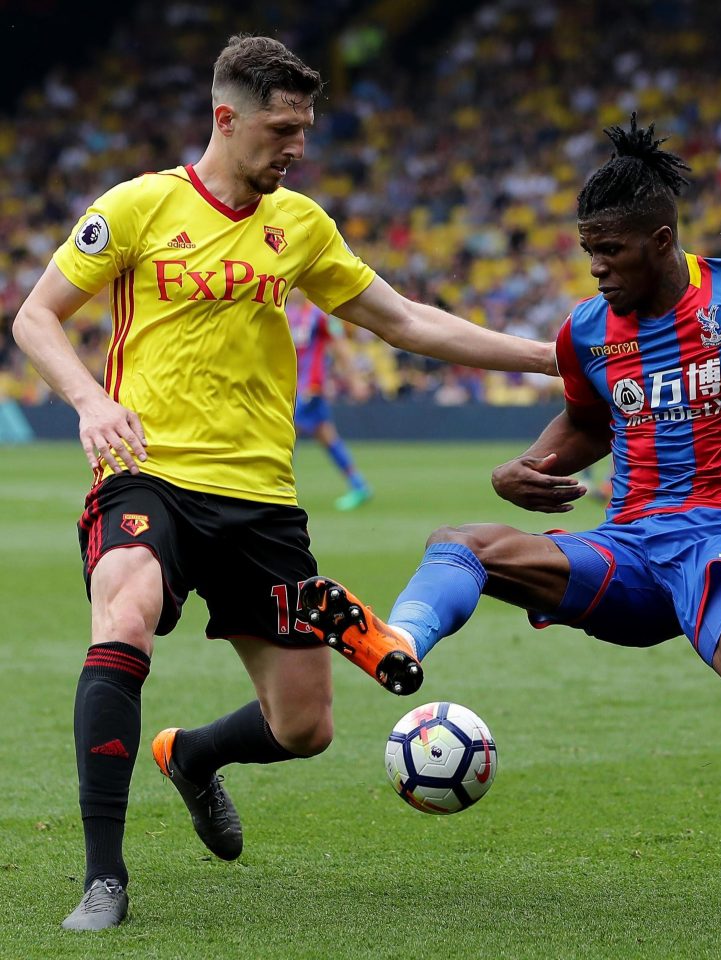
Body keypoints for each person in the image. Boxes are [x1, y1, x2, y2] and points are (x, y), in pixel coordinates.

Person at [299, 116, 721, 949]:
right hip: (627, 550)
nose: (595, 267)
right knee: (465, 540)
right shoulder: (586, 331)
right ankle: (394, 643)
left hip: (720, 542)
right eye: (588, 249)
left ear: (661, 241)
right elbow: (584, 425)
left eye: (610, 251)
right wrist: (521, 470)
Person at [11, 34, 555, 931]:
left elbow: (405, 320)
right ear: (226, 118)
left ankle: (190, 756)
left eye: (304, 129)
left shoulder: (298, 224)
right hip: (146, 472)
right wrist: (87, 401)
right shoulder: (140, 206)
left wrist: (545, 358)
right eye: (282, 128)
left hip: (259, 495)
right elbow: (37, 317)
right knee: (126, 613)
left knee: (304, 728)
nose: (296, 146)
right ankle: (103, 877)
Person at [288, 295, 373, 511]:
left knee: (284, 435)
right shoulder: (285, 311)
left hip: (310, 387)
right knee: (326, 436)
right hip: (293, 387)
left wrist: (355, 379)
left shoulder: (318, 314)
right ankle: (358, 484)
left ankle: (279, 492)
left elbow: (340, 345)